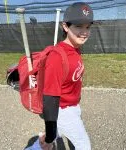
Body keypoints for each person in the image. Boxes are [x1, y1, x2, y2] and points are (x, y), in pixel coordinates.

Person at [25, 2, 94, 150]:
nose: (84, 32)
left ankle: (43, 142)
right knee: (84, 146)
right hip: (63, 109)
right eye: (78, 26)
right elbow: (50, 98)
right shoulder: (57, 57)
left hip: (73, 106)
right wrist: (50, 135)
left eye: (88, 27)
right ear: (65, 27)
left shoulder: (75, 49)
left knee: (55, 136)